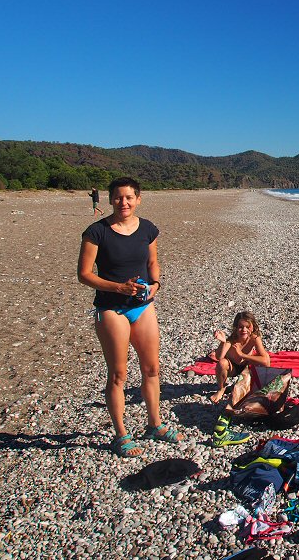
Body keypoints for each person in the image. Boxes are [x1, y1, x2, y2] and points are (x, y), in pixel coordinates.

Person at [77, 177, 181, 457]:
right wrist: (118, 287)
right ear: (110, 199)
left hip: (143, 306)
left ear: (138, 199)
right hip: (111, 309)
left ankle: (155, 425)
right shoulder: (96, 232)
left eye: (129, 198)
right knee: (118, 374)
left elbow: (152, 262)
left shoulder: (147, 229)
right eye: (118, 197)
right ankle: (121, 434)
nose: (123, 202)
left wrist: (156, 284)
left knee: (152, 369)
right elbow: (84, 275)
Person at [209, 311, 271, 403]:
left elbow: (266, 362)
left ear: (253, 327)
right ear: (236, 328)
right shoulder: (231, 341)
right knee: (222, 363)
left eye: (247, 327)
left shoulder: (254, 338)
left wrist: (242, 355)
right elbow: (219, 357)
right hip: (232, 367)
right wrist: (223, 342)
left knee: (262, 359)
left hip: (246, 366)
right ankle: (221, 389)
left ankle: (256, 386)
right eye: (241, 327)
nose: (244, 330)